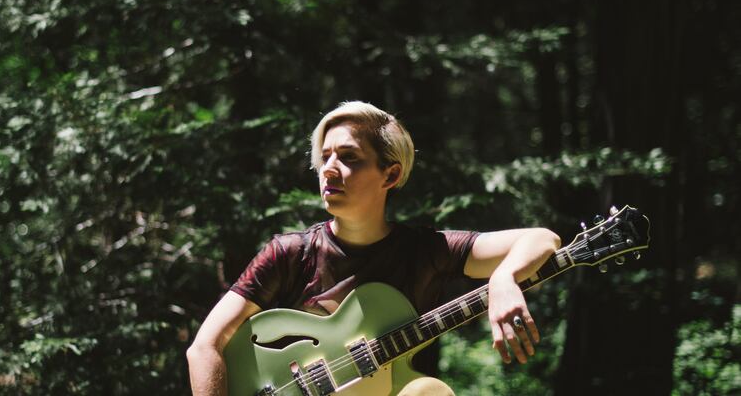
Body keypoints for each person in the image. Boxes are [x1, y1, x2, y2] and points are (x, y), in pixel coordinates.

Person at [187, 101, 561, 395]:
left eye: (349, 157)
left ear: (391, 174)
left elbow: (542, 239)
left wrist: (503, 280)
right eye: (325, 157)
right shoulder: (289, 254)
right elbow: (204, 347)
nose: (329, 169)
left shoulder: (424, 251)